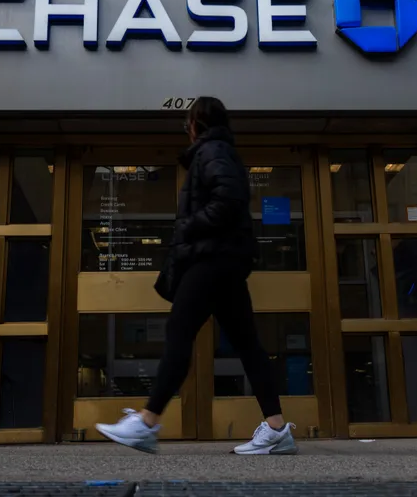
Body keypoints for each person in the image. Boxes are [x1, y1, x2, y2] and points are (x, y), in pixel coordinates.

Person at [95, 96, 296, 455]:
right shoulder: (217, 152)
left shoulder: (213, 151)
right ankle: (277, 428)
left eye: (186, 124)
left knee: (179, 331)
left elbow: (229, 198)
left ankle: (146, 422)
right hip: (225, 261)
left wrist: (189, 226)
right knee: (248, 344)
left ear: (196, 125)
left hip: (211, 259)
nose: (185, 131)